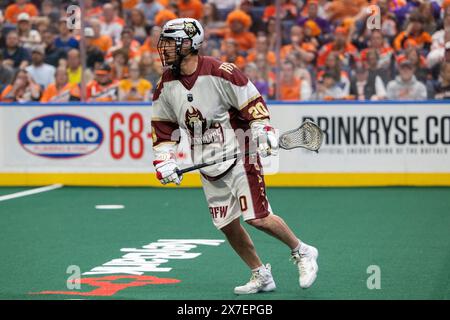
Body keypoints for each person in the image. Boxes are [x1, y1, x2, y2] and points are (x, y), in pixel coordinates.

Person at [152, 18, 319, 295]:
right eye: (165, 42)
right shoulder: (166, 84)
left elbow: (252, 103)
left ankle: (302, 251)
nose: (166, 48)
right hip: (208, 164)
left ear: (190, 44)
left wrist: (261, 128)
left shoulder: (221, 71)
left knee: (257, 217)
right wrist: (164, 159)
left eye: (172, 42)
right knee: (227, 225)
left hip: (240, 154)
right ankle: (261, 274)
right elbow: (163, 127)